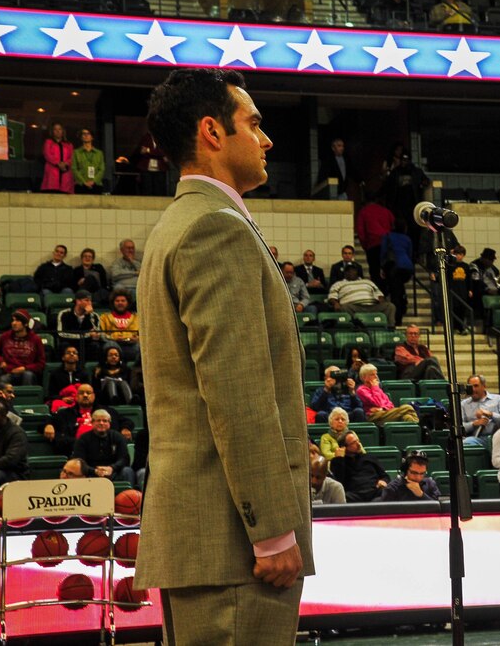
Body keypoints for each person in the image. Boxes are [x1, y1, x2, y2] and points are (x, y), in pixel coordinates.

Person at [135, 68, 311, 644]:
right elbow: (238, 393)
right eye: (254, 124)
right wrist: (272, 532)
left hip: (205, 536)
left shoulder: (177, 223)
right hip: (234, 542)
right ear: (212, 131)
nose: (267, 140)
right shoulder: (217, 227)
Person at [71, 409, 135, 483]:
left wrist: (112, 468)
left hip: (113, 472)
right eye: (98, 420)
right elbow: (79, 461)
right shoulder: (83, 439)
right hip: (91, 474)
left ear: (109, 423)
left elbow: (124, 459)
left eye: (105, 421)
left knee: (127, 471)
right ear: (92, 422)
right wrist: (94, 471)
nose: (101, 423)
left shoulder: (118, 437)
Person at [329, 431, 389, 502]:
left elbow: (385, 476)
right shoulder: (338, 462)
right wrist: (339, 460)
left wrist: (383, 481)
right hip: (353, 495)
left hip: (374, 492)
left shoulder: (369, 457)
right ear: (344, 447)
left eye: (358, 441)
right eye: (353, 443)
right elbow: (338, 483)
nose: (358, 444)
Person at [0, 309, 46, 386]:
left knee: (28, 376)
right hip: (9, 371)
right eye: (13, 320)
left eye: (17, 321)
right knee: (3, 379)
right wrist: (1, 361)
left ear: (25, 324)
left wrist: (25, 368)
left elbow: (41, 363)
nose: (14, 323)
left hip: (27, 371)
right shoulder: (5, 336)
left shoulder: (35, 339)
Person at [327, 263, 396, 323]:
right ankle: (356, 327)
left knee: (390, 306)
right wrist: (335, 303)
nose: (351, 272)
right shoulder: (338, 284)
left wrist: (381, 299)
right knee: (344, 307)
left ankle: (390, 329)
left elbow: (379, 294)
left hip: (371, 307)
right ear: (345, 273)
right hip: (353, 307)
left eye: (353, 270)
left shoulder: (367, 282)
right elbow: (332, 297)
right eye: (348, 271)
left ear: (357, 272)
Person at [355, 364, 419, 423]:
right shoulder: (361, 390)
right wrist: (375, 387)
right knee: (407, 407)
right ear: (364, 377)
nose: (376, 377)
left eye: (376, 374)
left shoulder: (378, 389)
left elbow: (390, 405)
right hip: (374, 416)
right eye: (372, 374)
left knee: (407, 417)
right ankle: (419, 427)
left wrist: (383, 408)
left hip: (385, 413)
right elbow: (377, 403)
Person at [355, 197, 394, 290]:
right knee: (388, 268)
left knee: (374, 270)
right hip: (387, 243)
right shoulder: (386, 211)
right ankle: (389, 290)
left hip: (373, 244)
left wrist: (365, 246)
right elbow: (393, 225)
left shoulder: (363, 212)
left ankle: (379, 292)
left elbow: (361, 232)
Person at [381, 218, 414, 325]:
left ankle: (397, 318)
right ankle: (403, 305)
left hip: (394, 267)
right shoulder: (407, 238)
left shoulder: (388, 236)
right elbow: (410, 253)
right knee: (399, 289)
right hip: (407, 267)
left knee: (395, 294)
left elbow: (383, 252)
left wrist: (382, 267)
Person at [460, 374, 500, 446]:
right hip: (477, 439)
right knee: (464, 443)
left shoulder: (498, 399)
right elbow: (460, 427)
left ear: (484, 386)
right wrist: (474, 424)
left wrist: (491, 414)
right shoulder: (464, 404)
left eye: (476, 386)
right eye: (471, 387)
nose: (473, 389)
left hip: (497, 436)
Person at [57, 290, 104, 360]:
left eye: (90, 301)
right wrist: (86, 336)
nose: (90, 303)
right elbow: (61, 334)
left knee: (95, 346)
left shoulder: (94, 315)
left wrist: (88, 316)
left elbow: (96, 334)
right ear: (78, 301)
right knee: (64, 345)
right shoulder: (64, 314)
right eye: (87, 300)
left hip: (86, 344)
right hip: (70, 342)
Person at [99, 289, 140, 362]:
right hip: (113, 345)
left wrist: (137, 339)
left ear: (128, 303)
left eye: (123, 301)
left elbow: (143, 335)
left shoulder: (137, 317)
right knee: (110, 345)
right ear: (113, 303)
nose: (120, 303)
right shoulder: (104, 317)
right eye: (117, 301)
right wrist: (113, 338)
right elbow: (101, 335)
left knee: (141, 347)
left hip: (132, 347)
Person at [41, 123, 74, 194]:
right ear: (52, 131)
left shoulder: (68, 144)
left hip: (65, 172)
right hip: (52, 171)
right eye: (55, 129)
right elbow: (47, 155)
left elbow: (72, 157)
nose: (58, 131)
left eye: (59, 129)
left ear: (63, 131)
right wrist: (58, 163)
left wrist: (65, 164)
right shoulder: (48, 142)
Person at [73, 128, 106, 194]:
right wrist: (83, 182)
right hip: (81, 185)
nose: (86, 135)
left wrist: (94, 181)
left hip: (96, 185)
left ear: (92, 137)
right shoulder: (76, 152)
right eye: (84, 134)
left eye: (88, 133)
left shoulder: (99, 153)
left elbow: (102, 169)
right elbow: (74, 169)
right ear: (81, 137)